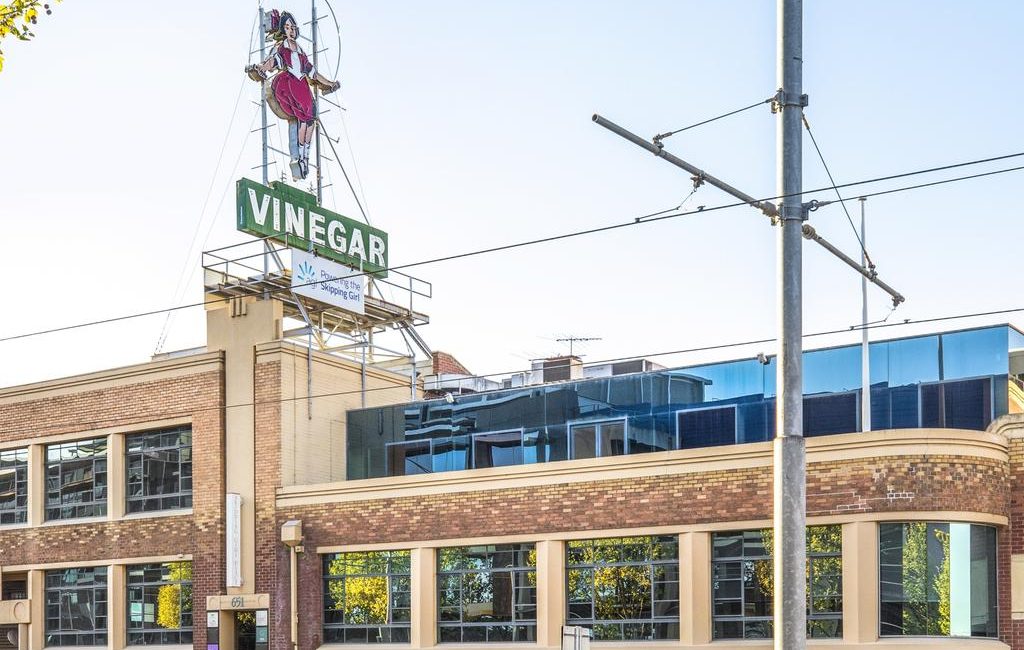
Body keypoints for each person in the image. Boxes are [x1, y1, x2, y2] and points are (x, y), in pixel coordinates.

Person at [245, 10, 340, 180]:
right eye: (286, 27)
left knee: (311, 119)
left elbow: (313, 73)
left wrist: (330, 84)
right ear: (283, 29)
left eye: (292, 27)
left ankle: (304, 157)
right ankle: (297, 157)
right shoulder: (282, 47)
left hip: (303, 87)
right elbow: (274, 61)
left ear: (296, 30)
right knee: (299, 120)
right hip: (288, 84)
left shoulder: (301, 51)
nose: (290, 30)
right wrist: (261, 68)